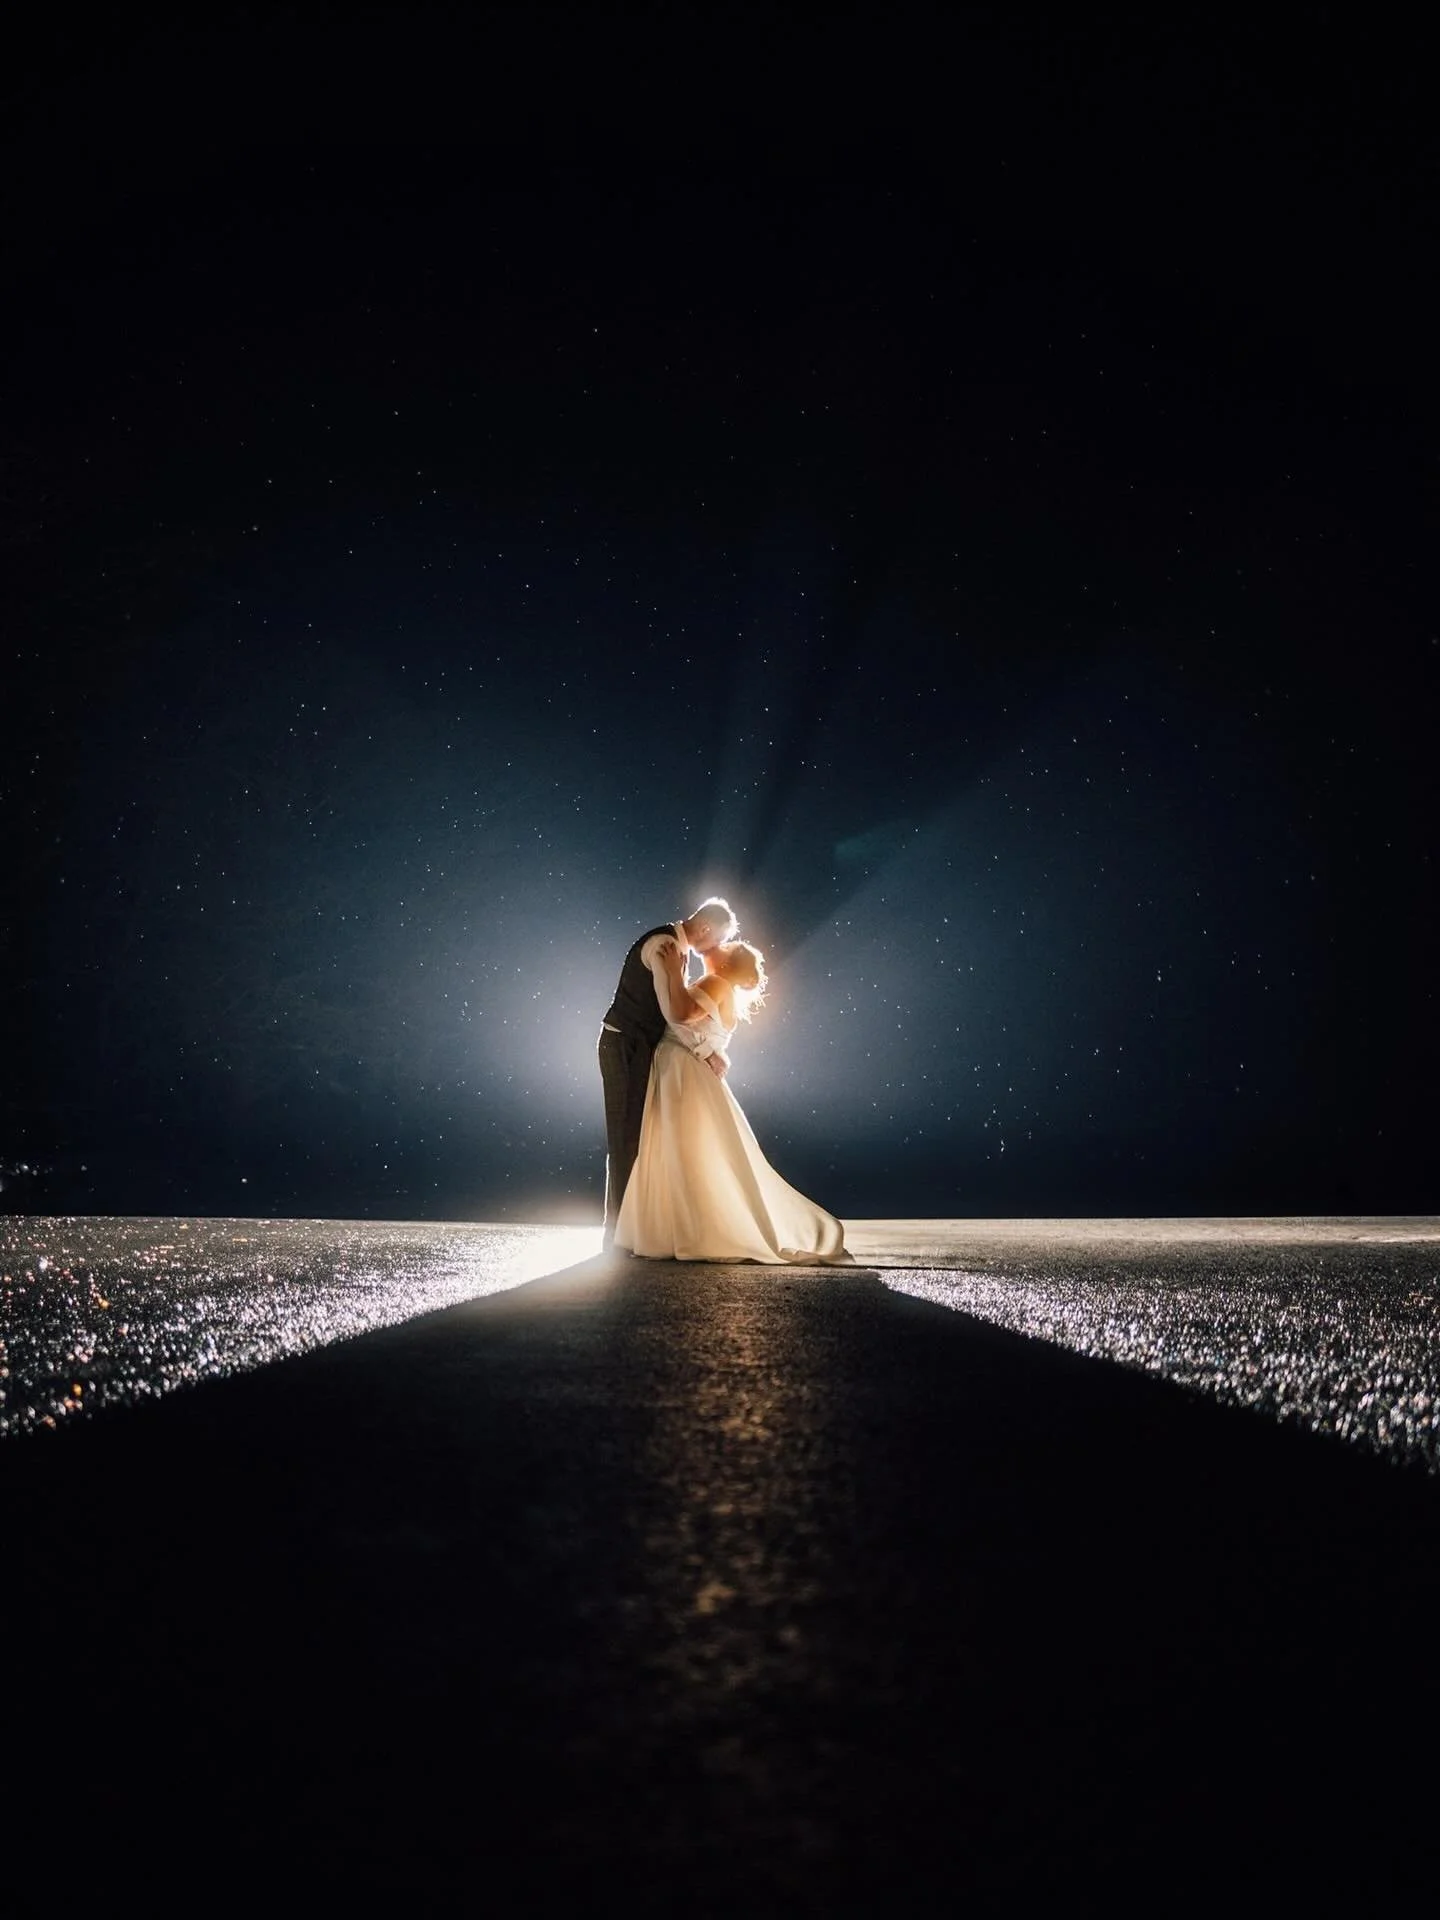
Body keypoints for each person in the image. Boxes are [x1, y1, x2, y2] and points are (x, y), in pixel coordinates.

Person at [614, 938, 851, 1264]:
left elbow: (680, 1016)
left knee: (679, 1149)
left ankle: (683, 1233)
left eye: (726, 947)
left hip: (682, 1069)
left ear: (727, 962)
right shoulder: (720, 987)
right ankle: (682, 1231)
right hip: (682, 1067)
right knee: (688, 1152)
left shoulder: (716, 982)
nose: (718, 946)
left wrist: (670, 972)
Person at [598, 897, 738, 1246]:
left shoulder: (677, 950)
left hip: (640, 1047)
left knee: (638, 1136)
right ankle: (617, 1234)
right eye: (717, 939)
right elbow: (673, 1013)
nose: (715, 948)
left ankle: (628, 1229)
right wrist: (706, 1052)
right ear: (705, 927)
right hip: (623, 1046)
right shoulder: (665, 946)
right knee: (625, 1137)